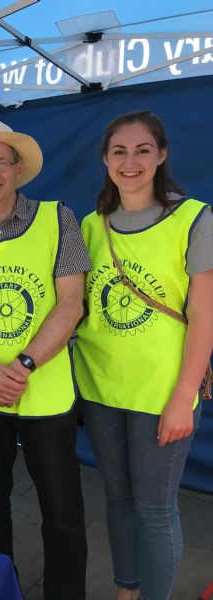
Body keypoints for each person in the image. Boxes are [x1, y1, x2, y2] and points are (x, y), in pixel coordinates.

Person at [0, 119, 89, 598]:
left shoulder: (57, 218)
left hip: (44, 392)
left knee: (62, 511)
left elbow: (72, 303)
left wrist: (21, 367)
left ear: (18, 168)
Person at [74, 111, 213, 600]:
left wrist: (183, 397)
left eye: (142, 150)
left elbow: (204, 316)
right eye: (119, 151)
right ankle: (126, 590)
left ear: (162, 155)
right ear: (105, 160)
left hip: (161, 392)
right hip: (100, 386)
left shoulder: (195, 219)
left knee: (155, 509)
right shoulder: (91, 226)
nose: (130, 162)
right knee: (117, 498)